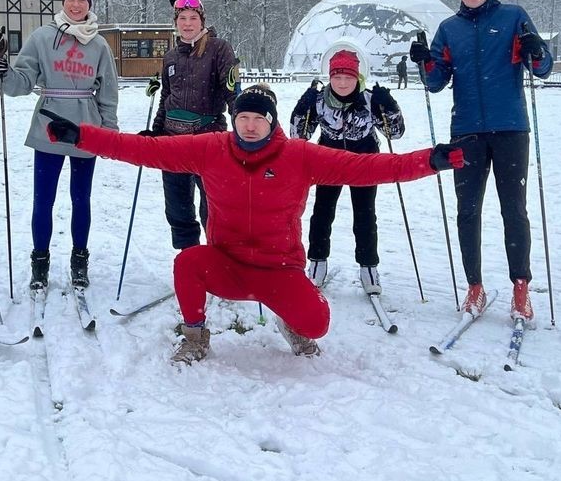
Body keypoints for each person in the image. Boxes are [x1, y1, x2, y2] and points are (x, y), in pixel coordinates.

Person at [39, 85, 468, 365]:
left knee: (316, 324)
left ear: (271, 121)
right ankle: (195, 335)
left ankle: (288, 317)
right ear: (236, 119)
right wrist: (81, 136)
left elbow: (368, 167)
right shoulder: (210, 148)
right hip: (225, 264)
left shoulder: (300, 156)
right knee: (188, 261)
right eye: (243, 116)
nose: (249, 124)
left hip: (278, 269)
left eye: (258, 118)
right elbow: (142, 150)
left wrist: (428, 161)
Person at [409, 0, 552, 322]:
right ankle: (474, 286)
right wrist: (425, 60)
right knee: (467, 210)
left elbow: (543, 67)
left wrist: (536, 50)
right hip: (467, 131)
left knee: (514, 209)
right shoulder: (448, 29)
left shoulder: (512, 17)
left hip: (510, 129)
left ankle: (521, 287)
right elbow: (436, 82)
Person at [0, 0, 118, 291]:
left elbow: (109, 92)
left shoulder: (99, 44)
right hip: (49, 123)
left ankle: (79, 261)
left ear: (89, 4)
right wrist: (3, 72)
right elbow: (22, 81)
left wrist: (109, 132)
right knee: (43, 199)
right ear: (63, 2)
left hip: (85, 128)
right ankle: (40, 261)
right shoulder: (42, 37)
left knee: (81, 199)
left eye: (82, 0)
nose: (76, 5)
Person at [290, 49, 404, 293]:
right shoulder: (320, 101)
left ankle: (368, 266)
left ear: (357, 77)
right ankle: (317, 262)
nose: (342, 83)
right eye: (337, 77)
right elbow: (298, 136)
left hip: (364, 161)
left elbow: (395, 133)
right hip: (328, 161)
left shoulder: (370, 100)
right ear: (330, 77)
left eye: (348, 77)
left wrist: (390, 106)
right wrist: (302, 108)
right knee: (322, 212)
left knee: (365, 215)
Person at [144, 0, 237, 250]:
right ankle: (189, 259)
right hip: (173, 141)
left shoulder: (219, 49)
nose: (187, 23)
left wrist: (243, 125)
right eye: (182, 18)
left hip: (208, 139)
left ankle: (217, 260)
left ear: (202, 19)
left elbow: (232, 91)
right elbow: (166, 95)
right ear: (175, 22)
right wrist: (156, 131)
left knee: (213, 207)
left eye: (192, 17)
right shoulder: (171, 56)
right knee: (178, 208)